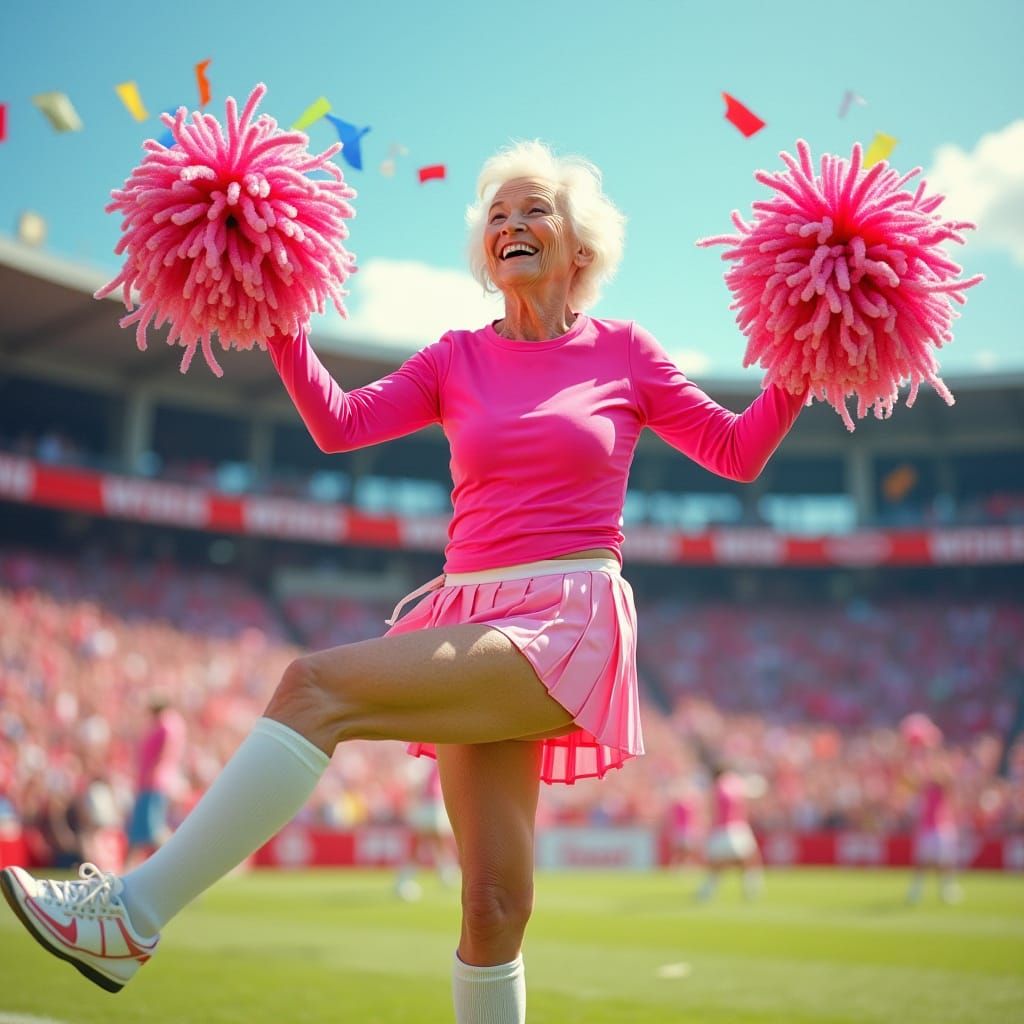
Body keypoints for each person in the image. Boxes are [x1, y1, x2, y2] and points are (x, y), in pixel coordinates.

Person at [1, 139, 804, 1021]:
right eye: (496, 215)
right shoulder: (454, 356)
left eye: (533, 208)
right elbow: (339, 427)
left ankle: (132, 914)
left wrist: (809, 351)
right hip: (472, 608)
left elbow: (737, 449)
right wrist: (278, 311)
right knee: (493, 906)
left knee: (312, 686)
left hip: (569, 614)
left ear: (581, 247)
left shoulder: (625, 352)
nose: (511, 224)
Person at [124, 694, 187, 869]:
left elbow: (160, 755)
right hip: (152, 782)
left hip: (153, 782)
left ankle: (179, 864)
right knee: (139, 831)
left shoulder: (165, 725)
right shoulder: (171, 724)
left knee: (153, 829)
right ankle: (127, 869)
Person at [695, 764, 764, 902]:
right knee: (749, 860)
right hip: (736, 827)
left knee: (718, 865)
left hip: (720, 830)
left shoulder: (715, 788)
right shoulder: (733, 783)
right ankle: (751, 889)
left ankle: (706, 891)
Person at [394, 759, 460, 902]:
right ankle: (406, 879)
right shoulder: (426, 761)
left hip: (434, 805)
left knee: (437, 842)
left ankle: (446, 875)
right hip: (430, 805)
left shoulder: (435, 760)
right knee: (430, 842)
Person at [906, 762, 962, 905]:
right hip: (927, 828)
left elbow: (948, 779)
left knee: (945, 862)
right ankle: (916, 890)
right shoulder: (926, 787)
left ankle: (946, 889)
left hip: (942, 828)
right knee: (923, 862)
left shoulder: (943, 787)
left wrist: (938, 768)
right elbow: (911, 780)